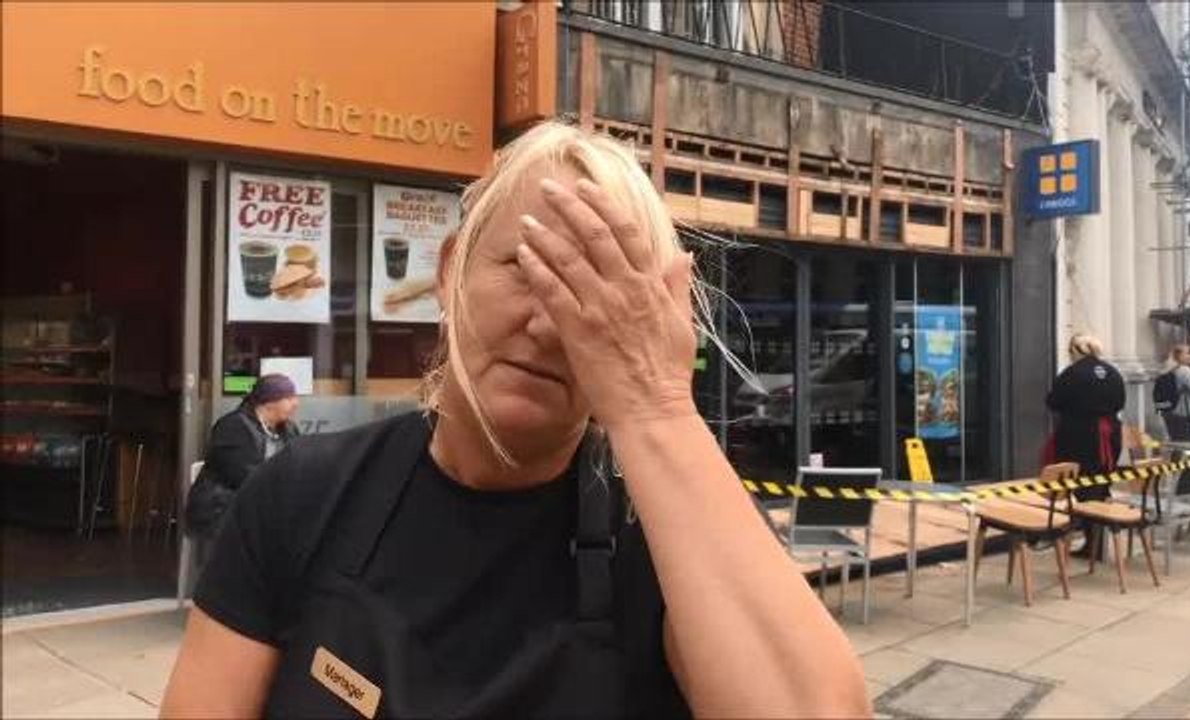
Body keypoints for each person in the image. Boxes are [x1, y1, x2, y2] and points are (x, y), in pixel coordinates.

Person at [161, 122, 869, 718]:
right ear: (449, 272)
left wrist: (654, 405)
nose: (548, 323)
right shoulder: (301, 496)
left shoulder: (663, 539)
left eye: (594, 297)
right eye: (527, 268)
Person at [183, 373, 300, 545]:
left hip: (263, 506)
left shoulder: (289, 429)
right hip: (222, 509)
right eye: (288, 398)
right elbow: (241, 476)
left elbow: (297, 464)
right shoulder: (233, 427)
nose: (296, 403)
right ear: (269, 402)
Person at [1046, 334, 1126, 502]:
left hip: (1080, 433)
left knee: (1081, 478)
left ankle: (1087, 518)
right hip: (1111, 432)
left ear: (1077, 350)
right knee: (1103, 475)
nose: (1070, 355)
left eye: (1070, 350)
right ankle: (1101, 509)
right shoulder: (1112, 372)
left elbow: (1053, 401)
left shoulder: (1072, 373)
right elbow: (1120, 402)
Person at [1159, 344, 1190, 443]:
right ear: (1179, 356)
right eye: (1187, 353)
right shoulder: (1184, 370)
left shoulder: (1166, 370)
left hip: (1170, 415)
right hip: (1186, 416)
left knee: (1177, 447)